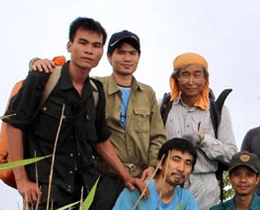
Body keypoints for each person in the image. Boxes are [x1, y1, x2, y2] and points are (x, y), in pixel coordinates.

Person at [4, 17, 138, 210]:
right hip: (48, 187)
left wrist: (126, 176)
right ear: (69, 45)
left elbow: (100, 140)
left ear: (101, 54)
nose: (89, 50)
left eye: (96, 46)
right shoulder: (43, 78)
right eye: (83, 43)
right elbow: (14, 124)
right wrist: (22, 181)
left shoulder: (95, 91)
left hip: (84, 189)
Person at [29, 30, 164, 200]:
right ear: (108, 56)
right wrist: (36, 62)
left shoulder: (148, 93)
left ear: (139, 57)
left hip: (141, 179)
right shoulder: (94, 86)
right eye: (120, 52)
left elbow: (157, 136)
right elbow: (65, 75)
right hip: (103, 176)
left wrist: (153, 166)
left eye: (132, 53)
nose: (127, 58)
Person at [161, 53, 237, 210]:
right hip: (168, 186)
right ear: (176, 78)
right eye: (185, 74)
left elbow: (232, 155)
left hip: (205, 189)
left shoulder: (218, 110)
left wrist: (204, 139)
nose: (191, 81)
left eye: (197, 74)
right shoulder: (164, 106)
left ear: (205, 78)